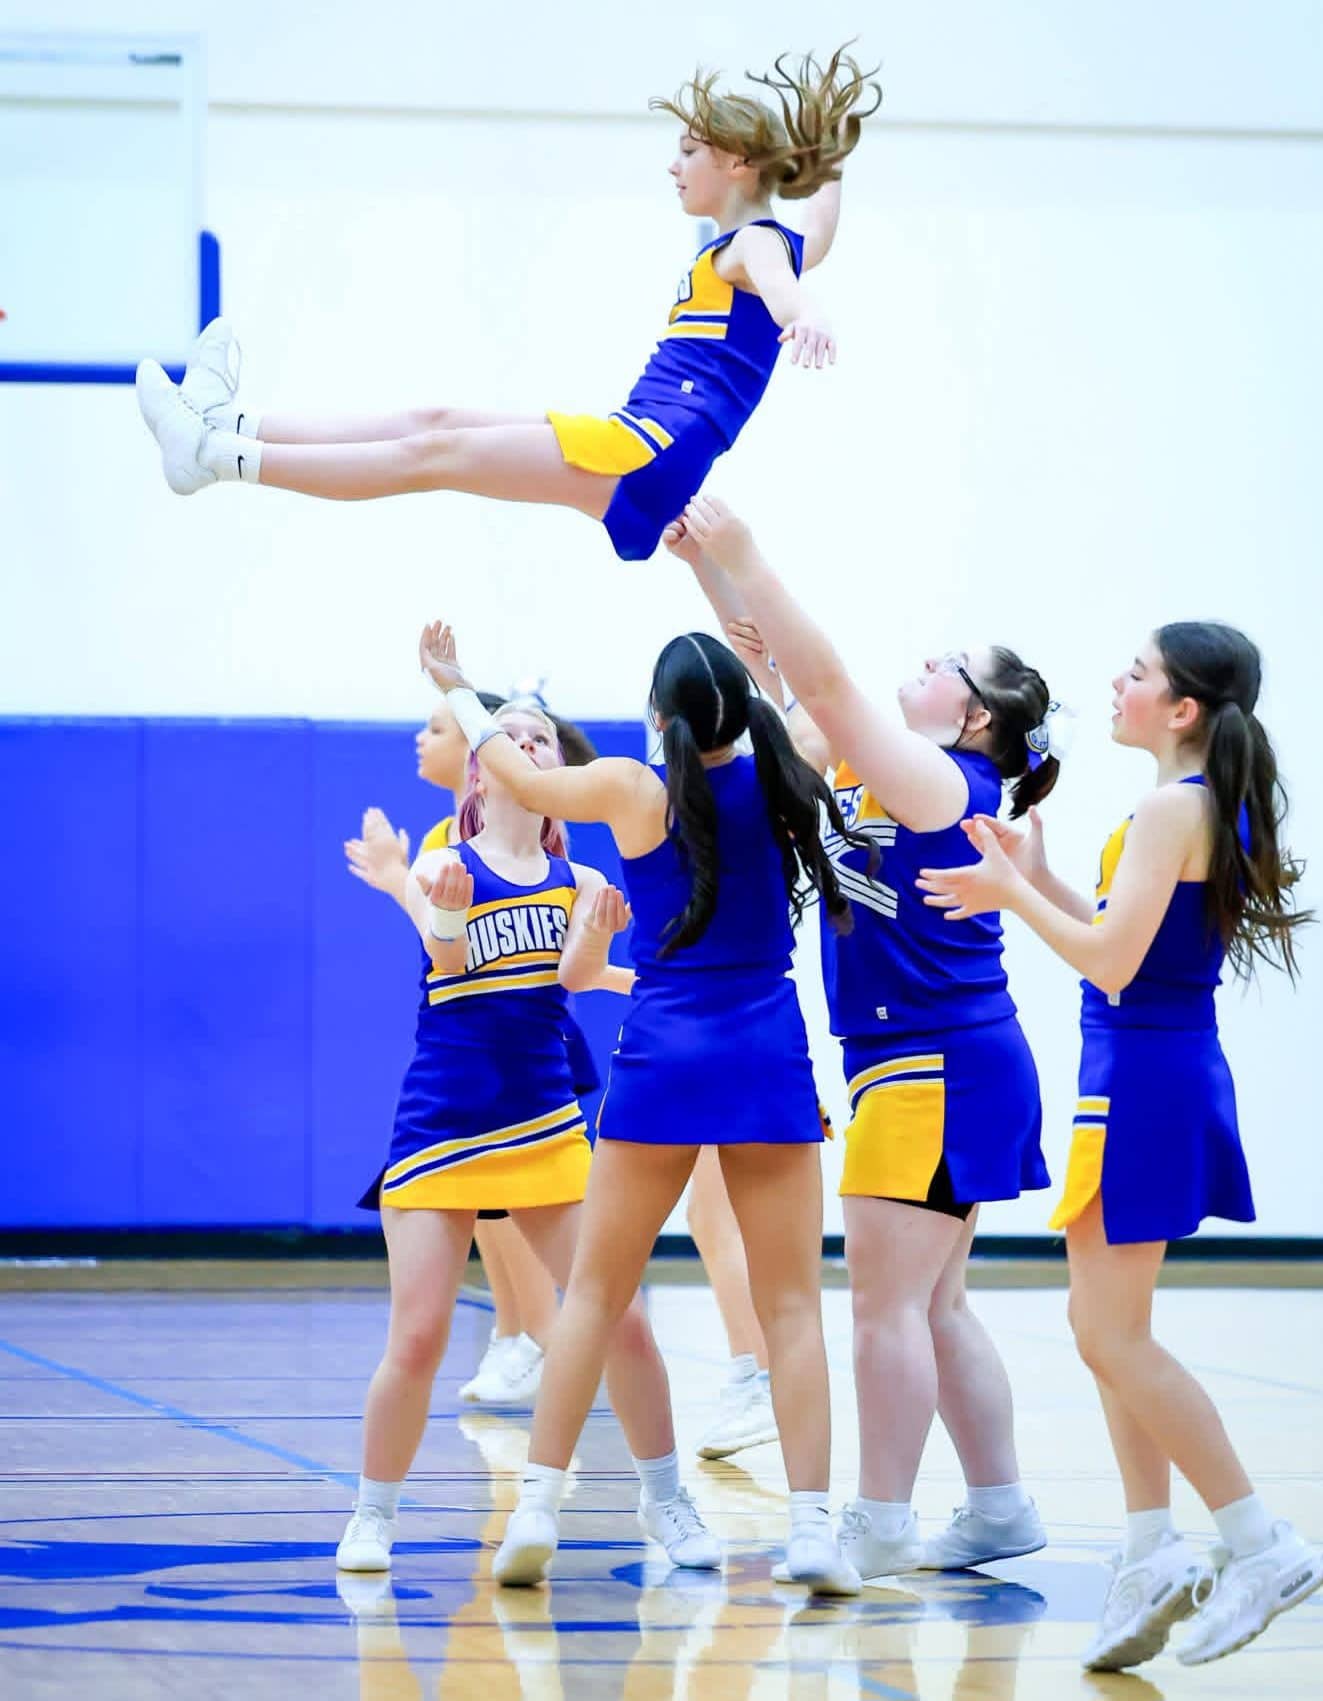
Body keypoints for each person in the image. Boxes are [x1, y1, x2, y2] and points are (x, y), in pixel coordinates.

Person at [418, 616, 875, 1593]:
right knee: (791, 1307)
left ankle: (536, 1507)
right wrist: (767, 668)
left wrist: (459, 686)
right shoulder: (786, 772)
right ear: (740, 711)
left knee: (591, 1295)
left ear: (659, 717)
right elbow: (820, 713)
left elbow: (529, 783)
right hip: (765, 1056)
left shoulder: (634, 790)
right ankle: (810, 1532)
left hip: (663, 1057)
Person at [916, 621, 1320, 1669]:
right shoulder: (1186, 806)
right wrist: (1040, 880)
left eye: (1137, 672)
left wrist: (1011, 896)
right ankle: (1150, 1548)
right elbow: (1119, 939)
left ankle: (1259, 1541)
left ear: (1182, 709)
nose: (1118, 681)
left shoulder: (1166, 807)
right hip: (1147, 1073)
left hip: (1144, 1079)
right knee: (1106, 1325)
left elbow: (1108, 965)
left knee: (1111, 1336)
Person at [676, 495, 1058, 1581]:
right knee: (934, 1307)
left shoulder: (949, 781)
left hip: (937, 1062)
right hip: (934, 1062)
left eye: (950, 662)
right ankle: (999, 1507)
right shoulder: (873, 762)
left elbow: (826, 687)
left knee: (889, 1309)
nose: (925, 662)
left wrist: (746, 543)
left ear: (976, 716)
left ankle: (880, 1523)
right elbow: (775, 680)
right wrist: (707, 561)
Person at [133, 46, 879, 560]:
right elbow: (815, 237)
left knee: (435, 453)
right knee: (434, 423)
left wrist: (806, 316)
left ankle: (212, 458)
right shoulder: (762, 242)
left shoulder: (752, 247)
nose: (672, 164)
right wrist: (835, 160)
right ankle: (227, 420)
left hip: (647, 449)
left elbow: (791, 288)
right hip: (640, 442)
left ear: (738, 163)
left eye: (688, 150)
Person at [334, 699, 718, 1577]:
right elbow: (448, 964)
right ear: (481, 770)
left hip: (544, 1121)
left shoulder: (582, 882)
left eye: (540, 736)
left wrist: (609, 951)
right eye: (507, 732)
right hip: (440, 1122)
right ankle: (372, 1514)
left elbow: (579, 978)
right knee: (420, 1335)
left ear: (553, 775)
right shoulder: (444, 861)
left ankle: (667, 1501)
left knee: (621, 1319)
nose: (525, 743)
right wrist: (439, 909)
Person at [346, 689, 602, 1406]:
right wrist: (399, 874)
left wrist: (397, 876)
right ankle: (515, 1333)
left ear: (476, 753)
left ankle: (528, 1331)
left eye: (436, 727)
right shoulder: (446, 847)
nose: (421, 740)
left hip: (528, 1048)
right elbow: (442, 947)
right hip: (468, 1056)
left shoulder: (555, 860)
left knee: (514, 1207)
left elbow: (562, 959)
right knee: (486, 1211)